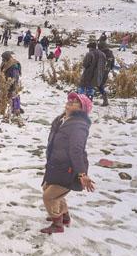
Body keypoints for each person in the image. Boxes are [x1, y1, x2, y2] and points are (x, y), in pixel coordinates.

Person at [40, 92, 95, 234]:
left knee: (49, 196)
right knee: (47, 187)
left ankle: (57, 224)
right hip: (56, 164)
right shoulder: (62, 120)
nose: (71, 102)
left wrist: (82, 173)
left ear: (82, 109)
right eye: (71, 99)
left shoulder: (79, 126)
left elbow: (76, 150)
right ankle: (64, 216)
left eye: (76, 101)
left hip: (68, 168)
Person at [0, 51, 22, 116]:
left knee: (13, 96)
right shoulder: (5, 63)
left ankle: (16, 110)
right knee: (8, 97)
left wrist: (13, 83)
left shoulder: (14, 65)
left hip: (12, 83)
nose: (2, 60)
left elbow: (15, 76)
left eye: (3, 58)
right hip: (6, 83)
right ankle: (13, 109)